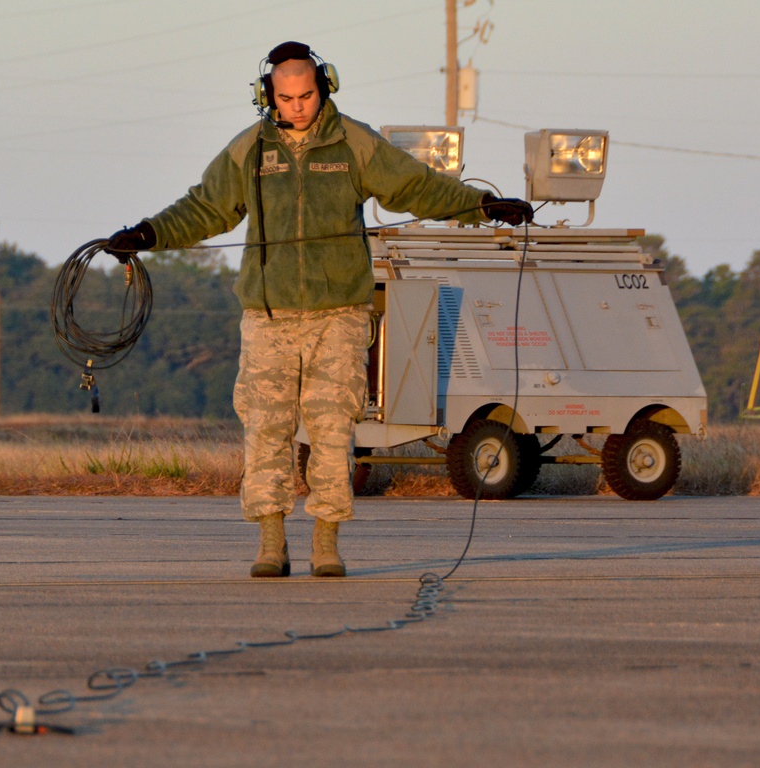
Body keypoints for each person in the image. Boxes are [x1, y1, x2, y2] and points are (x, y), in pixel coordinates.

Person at [107, 41, 532, 578]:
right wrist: (147, 233)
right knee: (266, 430)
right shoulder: (248, 151)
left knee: (332, 432)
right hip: (269, 316)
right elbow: (205, 208)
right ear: (269, 96)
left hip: (339, 315)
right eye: (285, 98)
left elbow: (413, 185)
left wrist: (481, 205)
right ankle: (270, 542)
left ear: (324, 87)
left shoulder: (353, 142)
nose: (298, 106)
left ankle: (327, 544)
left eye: (306, 95)